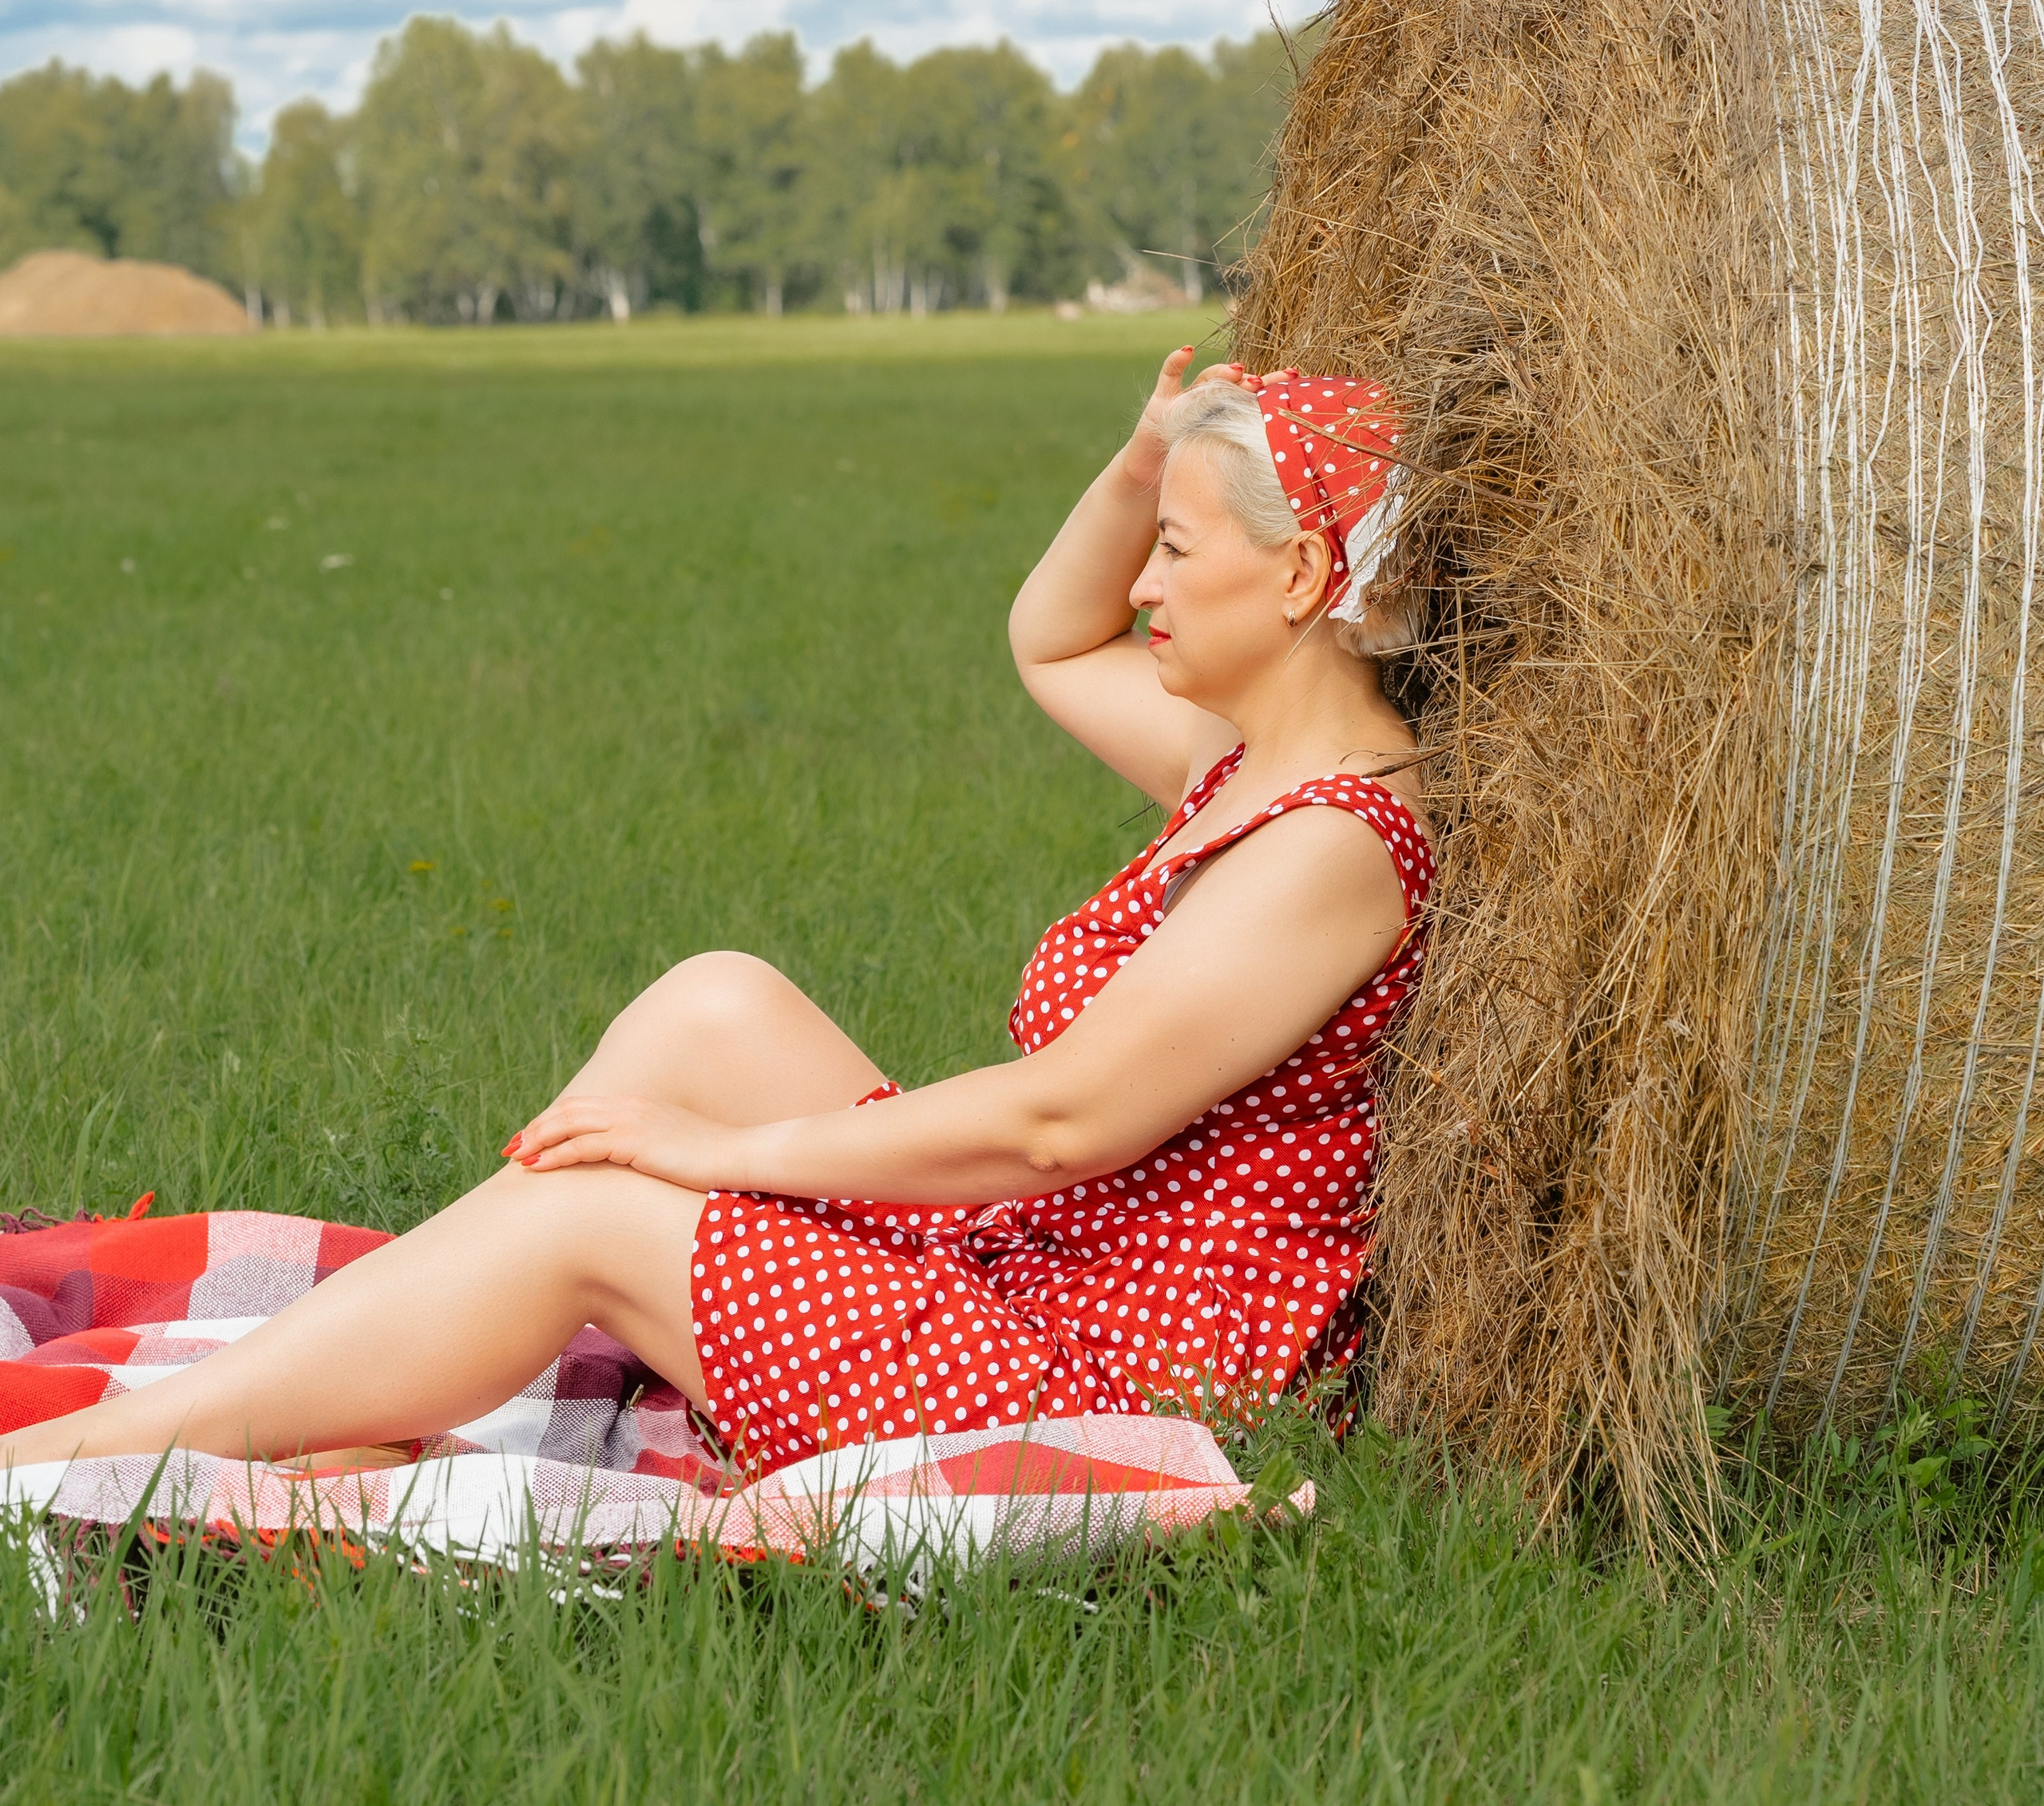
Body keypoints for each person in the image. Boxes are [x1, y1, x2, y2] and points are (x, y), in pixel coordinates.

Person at [0, 348, 1432, 1477]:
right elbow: (1050, 638)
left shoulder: (1332, 845)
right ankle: (361, 1391)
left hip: (1119, 1378)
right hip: (1050, 1260)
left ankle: (87, 1458)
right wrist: (1143, 467)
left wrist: (726, 1154)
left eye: (1179, 550)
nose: (1141, 582)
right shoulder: (1242, 758)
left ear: (1305, 576)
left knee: (601, 1207)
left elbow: (1060, 1122)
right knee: (715, 999)